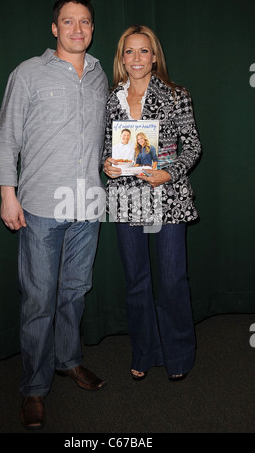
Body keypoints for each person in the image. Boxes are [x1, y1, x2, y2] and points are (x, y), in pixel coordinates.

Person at [0, 0, 108, 430]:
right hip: (40, 206)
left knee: (75, 290)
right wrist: (8, 193)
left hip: (89, 204)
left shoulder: (101, 78)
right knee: (39, 300)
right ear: (55, 28)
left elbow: (98, 140)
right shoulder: (28, 73)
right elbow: (8, 137)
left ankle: (68, 360)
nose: (77, 29)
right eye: (68, 21)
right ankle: (35, 388)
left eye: (84, 22)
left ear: (92, 29)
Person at [103, 25, 201, 382]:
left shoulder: (177, 95)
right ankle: (145, 350)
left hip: (167, 197)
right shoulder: (111, 98)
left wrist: (169, 173)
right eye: (129, 51)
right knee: (136, 280)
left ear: (155, 56)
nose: (137, 58)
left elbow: (192, 147)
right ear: (121, 58)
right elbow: (106, 148)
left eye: (144, 51)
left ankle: (178, 354)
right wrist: (107, 164)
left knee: (173, 279)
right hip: (127, 199)